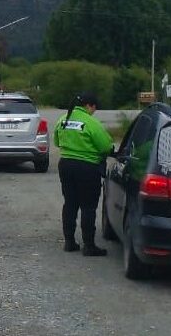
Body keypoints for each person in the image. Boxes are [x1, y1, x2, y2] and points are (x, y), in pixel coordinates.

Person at [54, 92, 113, 256]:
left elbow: (56, 142)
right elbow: (105, 147)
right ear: (89, 106)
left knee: (70, 204)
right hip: (87, 167)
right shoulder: (90, 122)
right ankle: (89, 245)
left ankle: (69, 242)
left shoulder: (62, 119)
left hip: (66, 165)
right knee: (88, 206)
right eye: (94, 108)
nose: (94, 111)